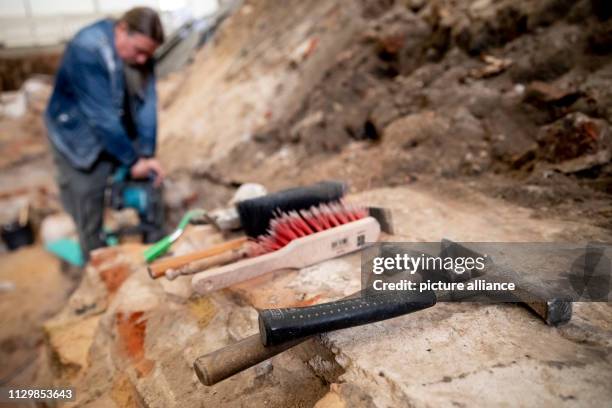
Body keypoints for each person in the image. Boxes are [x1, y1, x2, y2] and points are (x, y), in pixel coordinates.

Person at [45, 7, 166, 262]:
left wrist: (145, 155)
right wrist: (132, 161)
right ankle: (94, 265)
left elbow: (147, 106)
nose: (144, 59)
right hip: (77, 135)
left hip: (115, 121)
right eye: (139, 51)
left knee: (149, 180)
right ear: (121, 30)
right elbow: (101, 117)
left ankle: (151, 248)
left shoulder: (142, 55)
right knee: (89, 198)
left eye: (149, 53)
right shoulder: (86, 49)